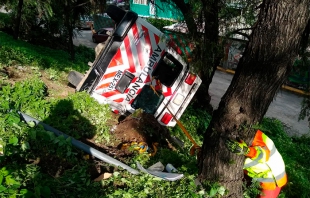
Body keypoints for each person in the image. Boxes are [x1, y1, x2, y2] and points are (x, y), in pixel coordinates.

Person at [225, 129, 287, 198]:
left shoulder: (251, 134)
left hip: (272, 177)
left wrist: (246, 150)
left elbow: (264, 155)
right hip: (255, 173)